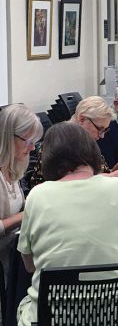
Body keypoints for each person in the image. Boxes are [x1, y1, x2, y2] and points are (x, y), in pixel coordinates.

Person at [17, 122, 118, 326]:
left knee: (24, 305)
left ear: (48, 158)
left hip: (55, 318)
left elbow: (30, 265)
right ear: (93, 152)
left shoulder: (37, 195)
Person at [0, 104, 43, 279]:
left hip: (12, 252)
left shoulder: (13, 167)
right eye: (28, 141)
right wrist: (26, 215)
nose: (32, 148)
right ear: (9, 138)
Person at [70, 96, 118, 181]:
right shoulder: (62, 141)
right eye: (100, 129)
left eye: (105, 130)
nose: (102, 136)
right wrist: (111, 177)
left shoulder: (84, 140)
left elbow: (91, 175)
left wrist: (110, 172)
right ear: (82, 119)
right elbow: (71, 181)